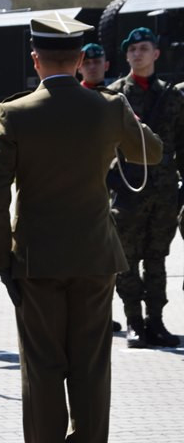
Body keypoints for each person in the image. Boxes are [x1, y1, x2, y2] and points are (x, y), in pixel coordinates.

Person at [0, 12, 163, 443]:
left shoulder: (14, 113)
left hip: (37, 259)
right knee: (90, 365)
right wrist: (124, 121)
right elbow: (152, 153)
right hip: (94, 255)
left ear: (36, 59)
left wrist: (1, 259)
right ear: (82, 59)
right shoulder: (108, 107)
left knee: (43, 364)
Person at [107, 27, 184, 348]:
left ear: (156, 54)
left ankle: (156, 322)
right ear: (126, 56)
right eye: (132, 49)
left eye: (143, 48)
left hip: (164, 192)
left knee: (156, 258)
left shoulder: (174, 97)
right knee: (126, 259)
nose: (137, 53)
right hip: (128, 191)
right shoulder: (114, 96)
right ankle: (134, 322)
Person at [79, 42, 124, 332]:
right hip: (83, 191)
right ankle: (88, 316)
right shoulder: (74, 99)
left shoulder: (117, 99)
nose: (93, 66)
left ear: (106, 65)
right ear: (78, 66)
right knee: (84, 257)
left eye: (98, 62)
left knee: (106, 259)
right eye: (87, 62)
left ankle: (103, 313)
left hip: (115, 189)